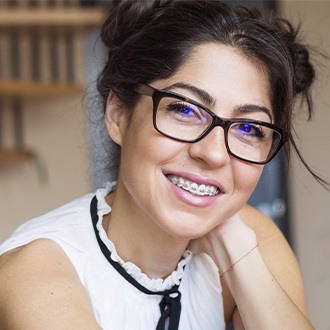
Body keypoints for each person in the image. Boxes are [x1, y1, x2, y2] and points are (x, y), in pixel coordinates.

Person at [0, 0, 326, 329]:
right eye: (184, 110)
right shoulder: (35, 271)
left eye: (248, 129)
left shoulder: (250, 237)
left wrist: (236, 248)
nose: (213, 154)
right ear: (118, 115)